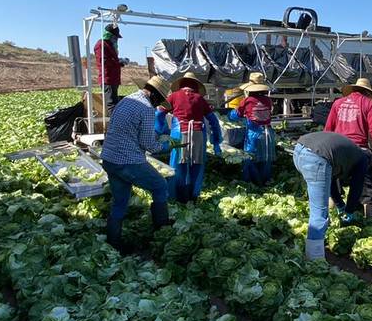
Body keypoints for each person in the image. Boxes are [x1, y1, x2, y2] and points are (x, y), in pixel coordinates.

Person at [101, 75, 180, 251]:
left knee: (120, 201)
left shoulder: (127, 100)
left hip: (109, 158)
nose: (158, 103)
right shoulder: (146, 108)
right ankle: (162, 228)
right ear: (154, 95)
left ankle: (113, 242)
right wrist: (170, 144)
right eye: (159, 99)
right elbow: (149, 145)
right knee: (159, 186)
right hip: (128, 161)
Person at [294, 131, 369, 261]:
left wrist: (340, 204)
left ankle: (314, 247)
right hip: (316, 157)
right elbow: (356, 187)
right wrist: (349, 210)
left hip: (299, 150)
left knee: (317, 199)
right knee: (319, 212)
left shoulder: (348, 153)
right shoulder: (363, 159)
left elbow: (331, 181)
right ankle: (314, 259)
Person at [325, 77, 372, 218]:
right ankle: (370, 217)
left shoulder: (338, 103)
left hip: (337, 146)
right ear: (368, 92)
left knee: (333, 178)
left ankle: (334, 209)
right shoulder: (369, 103)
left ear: (353, 89)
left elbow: (328, 128)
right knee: (367, 180)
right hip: (358, 148)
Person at [156, 72, 223, 204]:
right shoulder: (200, 99)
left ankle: (176, 197)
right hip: (198, 135)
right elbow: (213, 121)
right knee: (196, 164)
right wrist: (216, 142)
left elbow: (159, 113)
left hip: (179, 135)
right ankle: (193, 197)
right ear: (195, 86)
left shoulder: (173, 96)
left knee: (178, 164)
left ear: (181, 85)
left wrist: (160, 131)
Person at [229, 73, 276, 185]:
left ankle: (251, 182)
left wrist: (230, 115)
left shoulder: (248, 100)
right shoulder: (268, 100)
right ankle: (265, 181)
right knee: (265, 158)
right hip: (268, 133)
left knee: (249, 158)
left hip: (254, 133)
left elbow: (235, 115)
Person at [94, 24, 128, 115]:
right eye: (115, 37)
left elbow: (111, 60)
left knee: (115, 104)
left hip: (113, 78)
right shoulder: (101, 45)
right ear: (110, 35)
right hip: (108, 79)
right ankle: (115, 126)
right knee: (112, 105)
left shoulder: (109, 45)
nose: (116, 39)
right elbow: (104, 62)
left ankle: (116, 125)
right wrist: (118, 62)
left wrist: (120, 62)